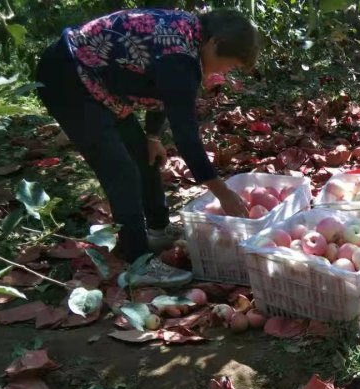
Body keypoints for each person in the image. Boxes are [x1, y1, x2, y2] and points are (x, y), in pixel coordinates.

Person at [35, 8, 259, 287]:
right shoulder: (181, 57)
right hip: (68, 78)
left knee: (145, 155)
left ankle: (157, 229)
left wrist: (152, 137)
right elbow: (186, 134)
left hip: (102, 85)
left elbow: (164, 90)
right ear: (214, 43)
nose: (226, 71)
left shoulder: (188, 35)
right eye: (230, 64)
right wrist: (221, 192)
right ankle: (138, 262)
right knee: (122, 171)